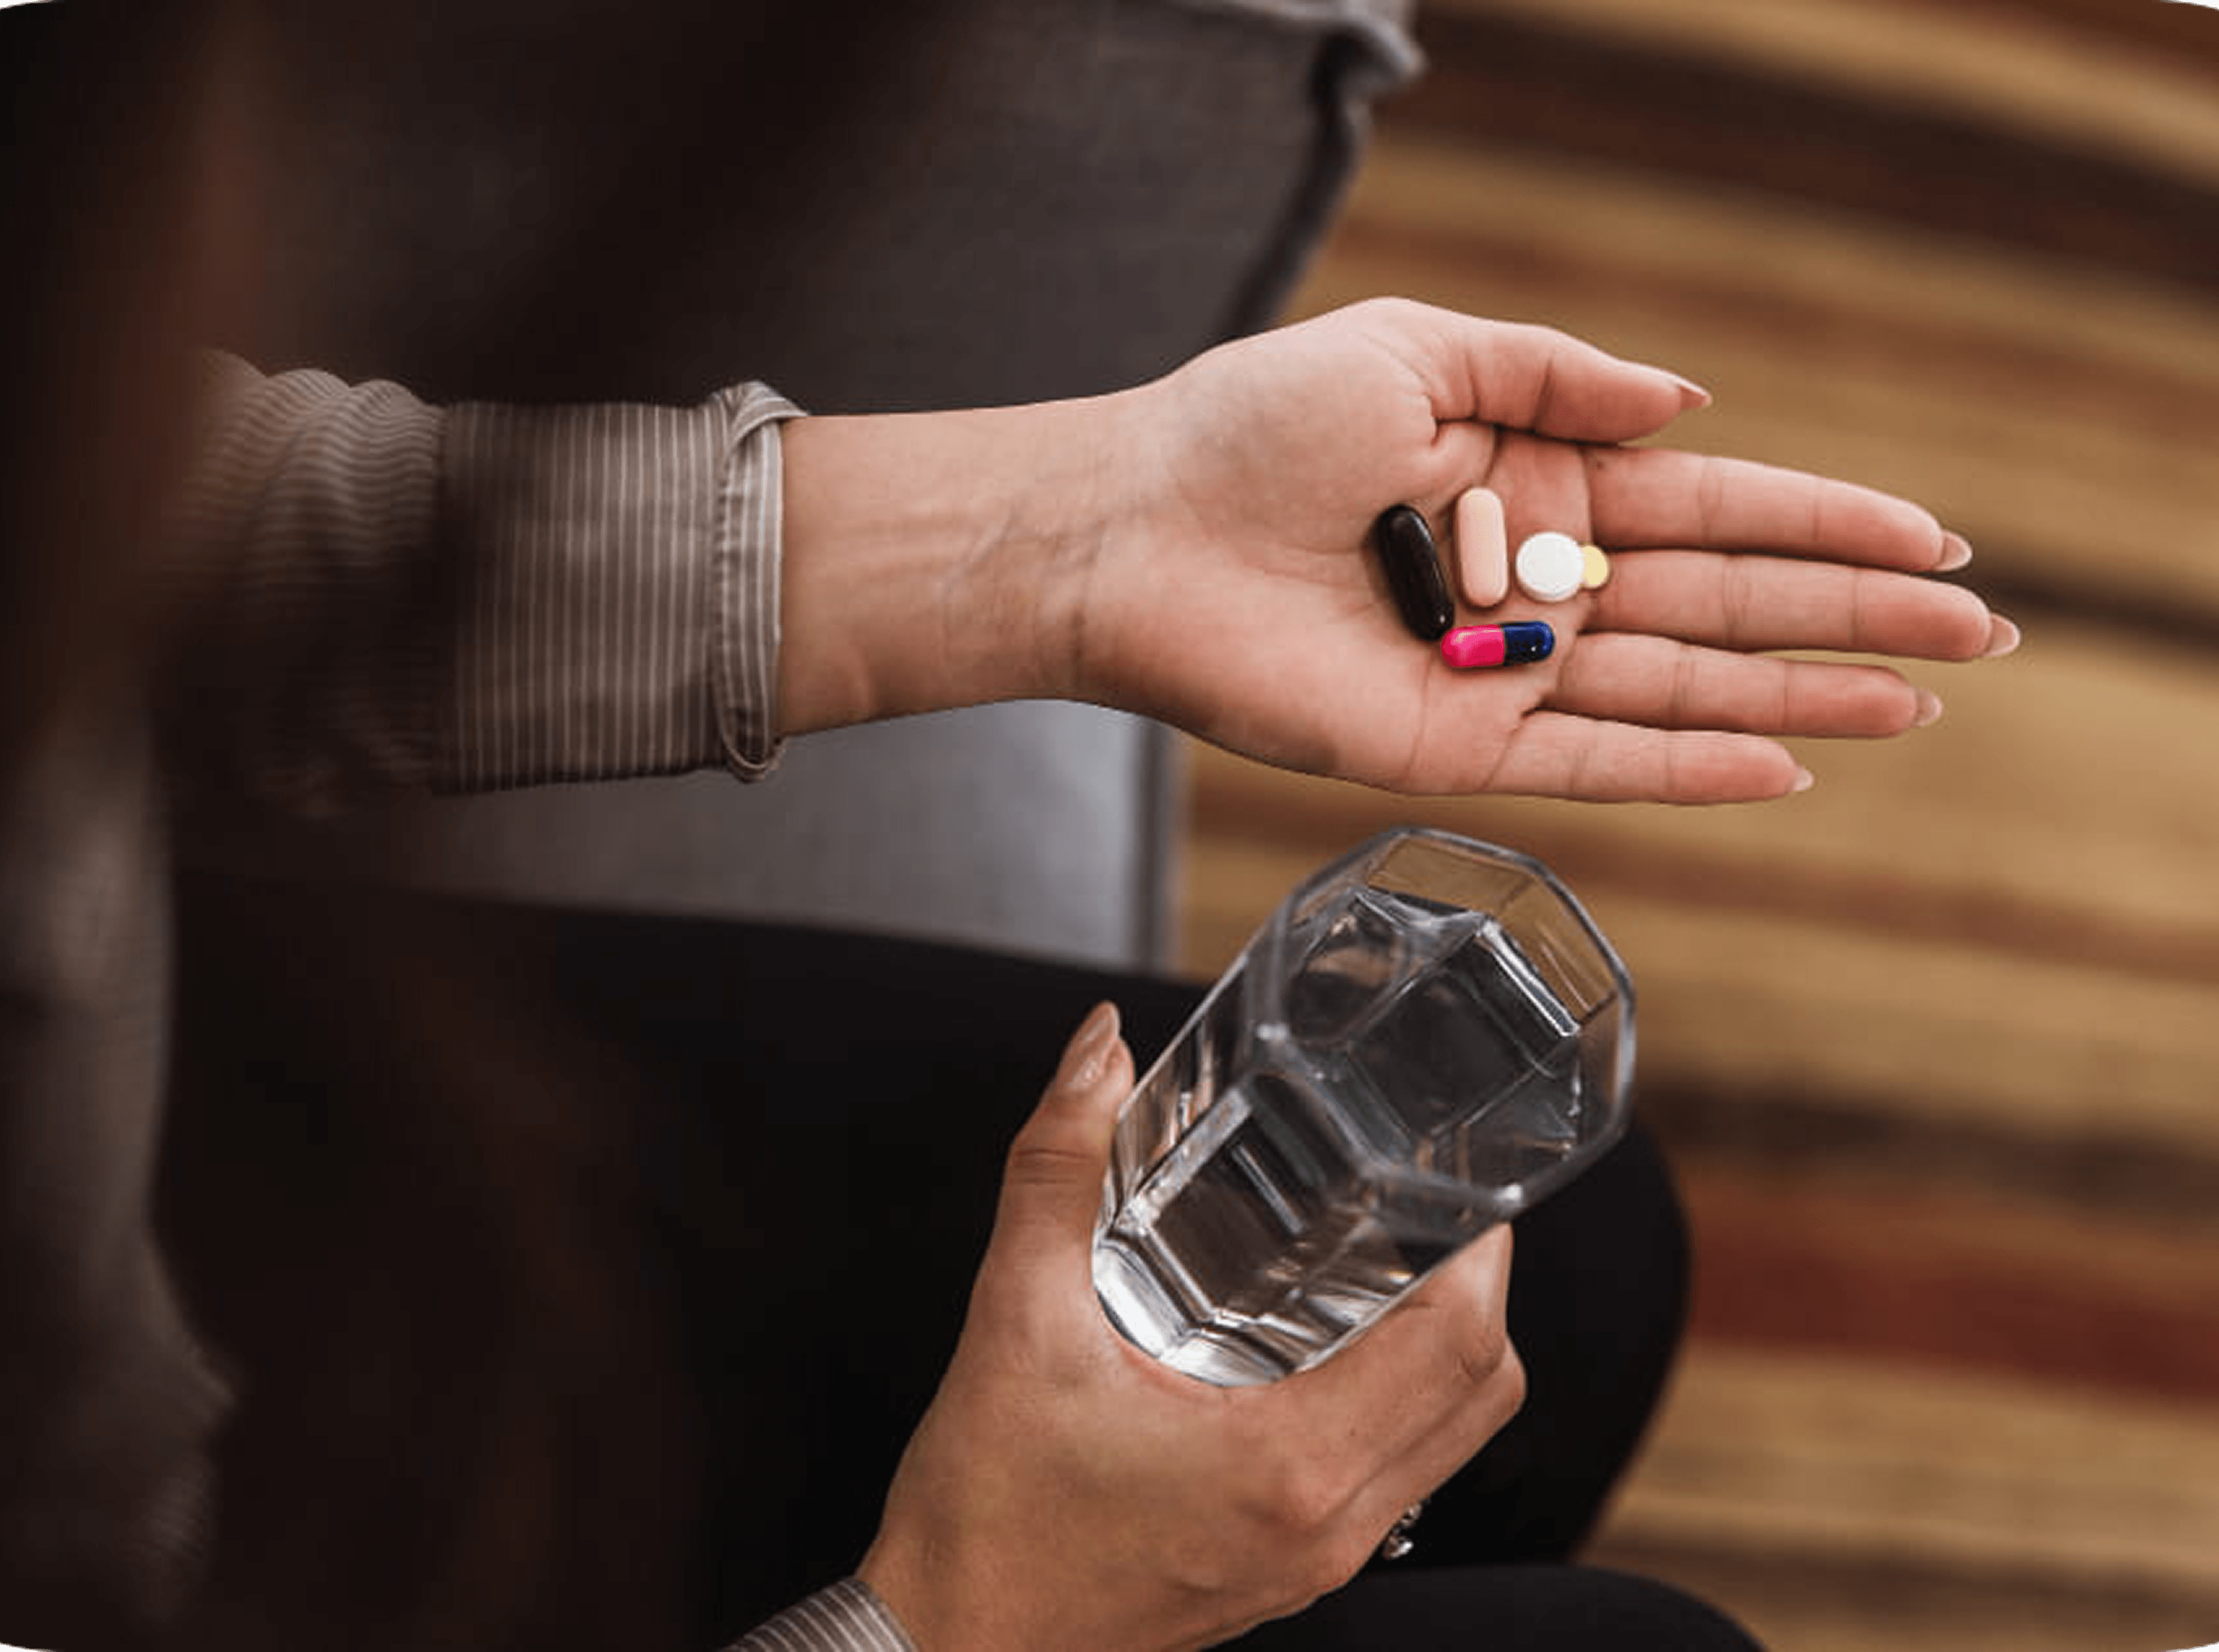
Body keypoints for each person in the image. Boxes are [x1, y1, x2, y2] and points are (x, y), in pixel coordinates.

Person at [0, 3, 2017, 1649]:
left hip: (191, 1139)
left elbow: (116, 530)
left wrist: (1079, 533)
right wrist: (954, 1611)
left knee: (1584, 1240)